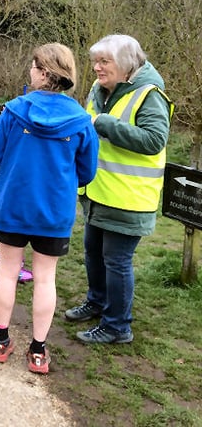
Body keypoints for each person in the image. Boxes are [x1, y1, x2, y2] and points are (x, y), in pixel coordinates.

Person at [0, 43, 98, 374]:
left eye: (33, 66)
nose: (30, 71)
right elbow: (87, 172)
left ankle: (1, 340)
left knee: (8, 271)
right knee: (45, 278)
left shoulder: (12, 111)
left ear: (44, 72)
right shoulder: (82, 121)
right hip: (54, 211)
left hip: (13, 205)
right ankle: (38, 350)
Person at [65, 34, 173, 345]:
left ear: (125, 65)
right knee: (93, 253)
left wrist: (103, 123)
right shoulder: (99, 89)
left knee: (117, 261)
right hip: (97, 192)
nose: (96, 67)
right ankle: (97, 302)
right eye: (95, 61)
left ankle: (117, 326)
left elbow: (154, 140)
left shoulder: (149, 95)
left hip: (128, 198)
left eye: (104, 61)